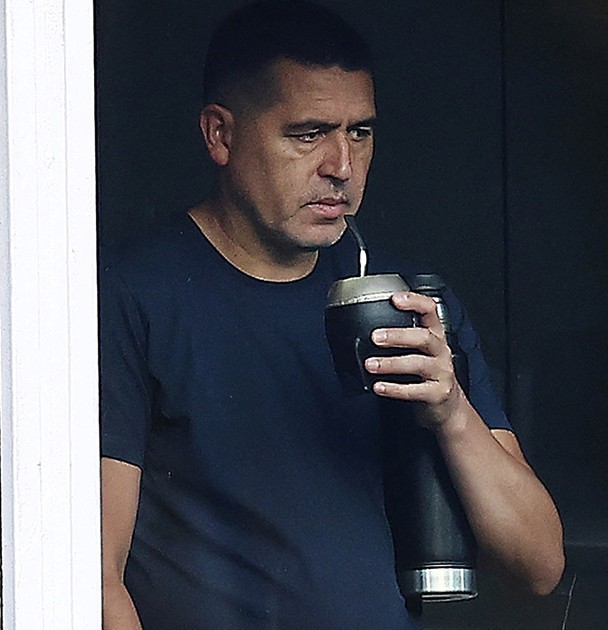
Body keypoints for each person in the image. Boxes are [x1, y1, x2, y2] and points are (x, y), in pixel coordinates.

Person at [98, 2, 565, 628]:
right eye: (308, 134)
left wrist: (451, 413)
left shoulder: (405, 301)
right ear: (220, 135)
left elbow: (540, 566)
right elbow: (96, 577)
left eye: (360, 133)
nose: (341, 167)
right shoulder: (132, 294)